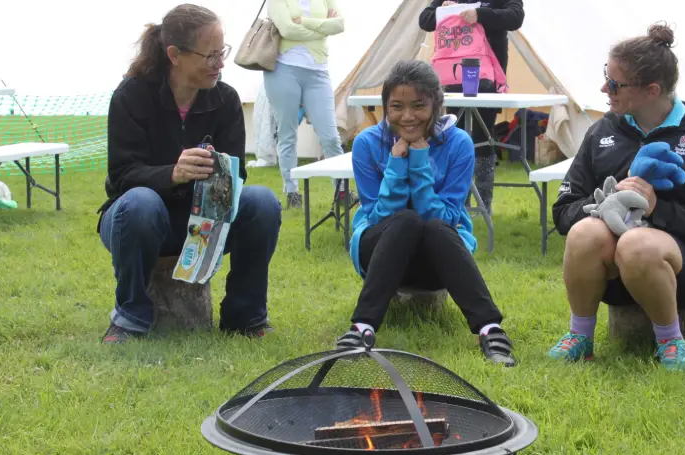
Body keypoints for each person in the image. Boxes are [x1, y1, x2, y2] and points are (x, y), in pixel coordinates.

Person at [549, 23, 685, 370]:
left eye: (614, 83)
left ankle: (671, 343)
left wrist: (657, 209)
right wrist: (604, 207)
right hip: (612, 279)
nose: (603, 88)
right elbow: (564, 210)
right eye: (605, 77)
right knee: (583, 232)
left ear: (652, 90)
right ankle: (580, 337)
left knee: (637, 244)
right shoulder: (603, 131)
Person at [97, 4, 282, 344]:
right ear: (175, 55)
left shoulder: (225, 100)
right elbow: (122, 176)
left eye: (221, 52)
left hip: (206, 224)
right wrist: (173, 173)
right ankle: (131, 319)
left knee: (263, 202)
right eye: (211, 56)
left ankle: (246, 316)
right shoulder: (131, 96)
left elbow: (236, 178)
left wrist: (219, 178)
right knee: (140, 202)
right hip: (137, 222)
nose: (221, 64)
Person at [336, 60, 515, 367]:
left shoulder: (458, 143)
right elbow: (377, 217)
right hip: (378, 253)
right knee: (405, 221)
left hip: (439, 260)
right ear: (385, 107)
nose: (407, 116)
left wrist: (418, 159)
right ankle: (362, 327)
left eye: (419, 105)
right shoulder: (368, 143)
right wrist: (395, 164)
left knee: (430, 226)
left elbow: (445, 218)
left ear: (436, 104)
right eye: (397, 106)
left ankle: (490, 329)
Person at [419, 0, 525, 215]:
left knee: (483, 136)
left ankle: (483, 205)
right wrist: (444, 10)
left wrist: (480, 14)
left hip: (487, 75)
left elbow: (515, 17)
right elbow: (425, 19)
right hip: (453, 74)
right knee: (455, 136)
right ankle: (458, 201)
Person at [264, 0, 350, 209]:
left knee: (330, 136)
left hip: (318, 72)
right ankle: (292, 191)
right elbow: (286, 29)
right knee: (287, 134)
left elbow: (339, 25)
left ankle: (341, 191)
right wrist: (322, 28)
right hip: (283, 70)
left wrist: (304, 21)